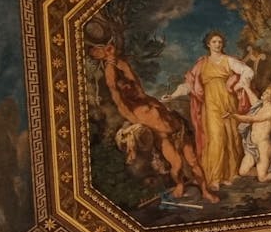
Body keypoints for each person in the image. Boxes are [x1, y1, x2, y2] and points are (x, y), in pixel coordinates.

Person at [90, 43, 217, 202]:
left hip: (180, 130)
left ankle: (205, 191)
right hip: (163, 138)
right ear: (122, 94)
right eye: (125, 88)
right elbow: (112, 87)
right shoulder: (127, 109)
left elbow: (130, 73)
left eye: (130, 85)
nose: (130, 88)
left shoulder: (143, 96)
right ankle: (179, 184)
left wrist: (113, 57)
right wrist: (109, 64)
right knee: (177, 165)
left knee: (193, 162)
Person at [165, 31, 254, 190]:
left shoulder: (228, 60)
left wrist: (241, 84)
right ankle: (214, 177)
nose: (217, 44)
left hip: (228, 102)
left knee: (231, 137)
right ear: (208, 44)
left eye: (220, 42)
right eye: (214, 42)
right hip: (211, 104)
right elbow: (189, 85)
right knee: (216, 137)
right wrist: (172, 95)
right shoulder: (202, 64)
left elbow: (248, 72)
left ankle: (229, 174)